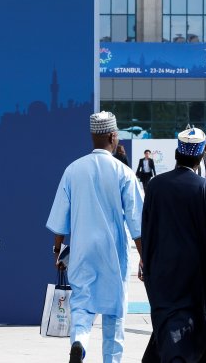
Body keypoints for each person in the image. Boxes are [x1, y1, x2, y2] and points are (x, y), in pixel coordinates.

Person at [46, 111, 144, 363]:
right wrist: (145, 258)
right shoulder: (123, 173)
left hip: (81, 251)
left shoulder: (73, 170)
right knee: (114, 313)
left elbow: (60, 219)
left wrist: (57, 251)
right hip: (113, 253)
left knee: (81, 305)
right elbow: (137, 223)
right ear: (113, 136)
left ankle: (79, 341)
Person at [140, 126, 206, 363]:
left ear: (176, 154)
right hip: (195, 278)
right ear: (201, 155)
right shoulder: (205, 189)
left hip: (163, 274)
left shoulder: (155, 186)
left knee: (167, 326)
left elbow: (147, 230)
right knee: (192, 333)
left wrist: (146, 264)